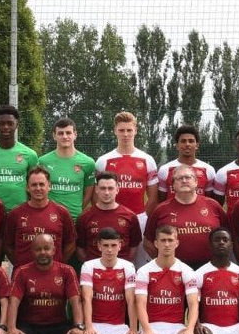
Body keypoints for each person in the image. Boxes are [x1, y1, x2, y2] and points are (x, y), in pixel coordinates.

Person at [94, 111, 158, 265]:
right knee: (111, 261)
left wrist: (141, 218)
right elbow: (97, 195)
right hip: (110, 218)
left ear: (135, 130)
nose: (125, 134)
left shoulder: (147, 160)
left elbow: (153, 197)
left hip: (139, 218)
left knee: (139, 263)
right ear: (115, 131)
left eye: (129, 130)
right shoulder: (103, 161)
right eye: (122, 130)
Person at [144, 164, 228, 269]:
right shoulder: (160, 210)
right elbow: (148, 243)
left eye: (188, 177)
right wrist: (166, 263)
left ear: (196, 182)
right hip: (175, 270)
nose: (184, 180)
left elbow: (228, 236)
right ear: (173, 186)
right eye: (179, 178)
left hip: (211, 269)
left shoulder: (213, 205)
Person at [4, 166, 76, 267]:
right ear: (27, 187)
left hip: (54, 275)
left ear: (49, 186)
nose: (38, 188)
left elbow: (71, 244)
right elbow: (8, 245)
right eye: (34, 185)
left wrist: (58, 263)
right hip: (23, 275)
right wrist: (21, 264)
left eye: (41, 184)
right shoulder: (16, 213)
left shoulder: (62, 212)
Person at [0, 104, 39, 212]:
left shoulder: (30, 155)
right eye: (2, 123)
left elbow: (34, 185)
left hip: (22, 213)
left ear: (17, 125)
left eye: (10, 123)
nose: (6, 127)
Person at [38, 117, 96, 222]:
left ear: (75, 134)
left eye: (68, 133)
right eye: (60, 133)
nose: (65, 137)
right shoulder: (43, 161)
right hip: (48, 219)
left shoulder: (88, 163)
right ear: (54, 136)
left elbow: (88, 193)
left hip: (75, 220)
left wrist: (77, 210)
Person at [76, 172, 141, 263]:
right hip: (94, 270)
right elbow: (80, 250)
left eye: (110, 188)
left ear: (117, 190)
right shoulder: (84, 217)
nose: (106, 193)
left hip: (121, 271)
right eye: (103, 188)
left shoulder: (130, 216)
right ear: (96, 190)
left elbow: (133, 248)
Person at [158, 124, 216, 200]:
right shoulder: (165, 170)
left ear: (197, 145)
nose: (187, 144)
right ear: (177, 145)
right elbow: (161, 201)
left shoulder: (208, 170)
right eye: (183, 141)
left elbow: (209, 202)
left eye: (191, 141)